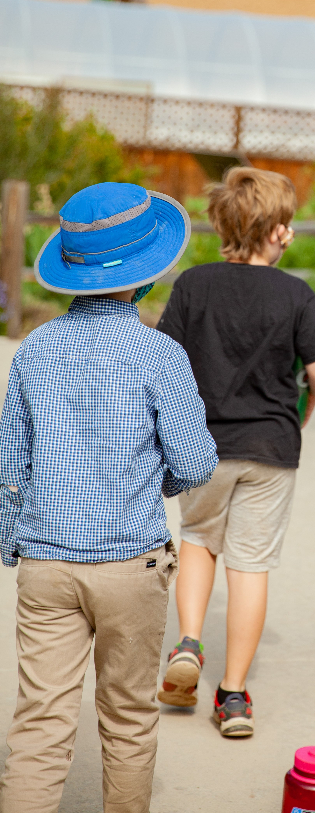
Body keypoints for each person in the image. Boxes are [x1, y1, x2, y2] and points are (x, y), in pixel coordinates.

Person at [0, 182, 218, 813]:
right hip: (130, 563)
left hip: (47, 563)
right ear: (144, 275)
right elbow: (196, 461)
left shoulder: (35, 350)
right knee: (127, 720)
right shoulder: (160, 354)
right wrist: (150, 483)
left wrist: (12, 537)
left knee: (39, 726)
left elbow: (12, 461)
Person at [157, 166, 315, 737]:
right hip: (271, 448)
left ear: (221, 223)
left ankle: (188, 642)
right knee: (250, 564)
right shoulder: (295, 294)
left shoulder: (193, 285)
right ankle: (233, 696)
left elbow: (166, 359)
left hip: (203, 446)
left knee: (197, 541)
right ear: (279, 230)